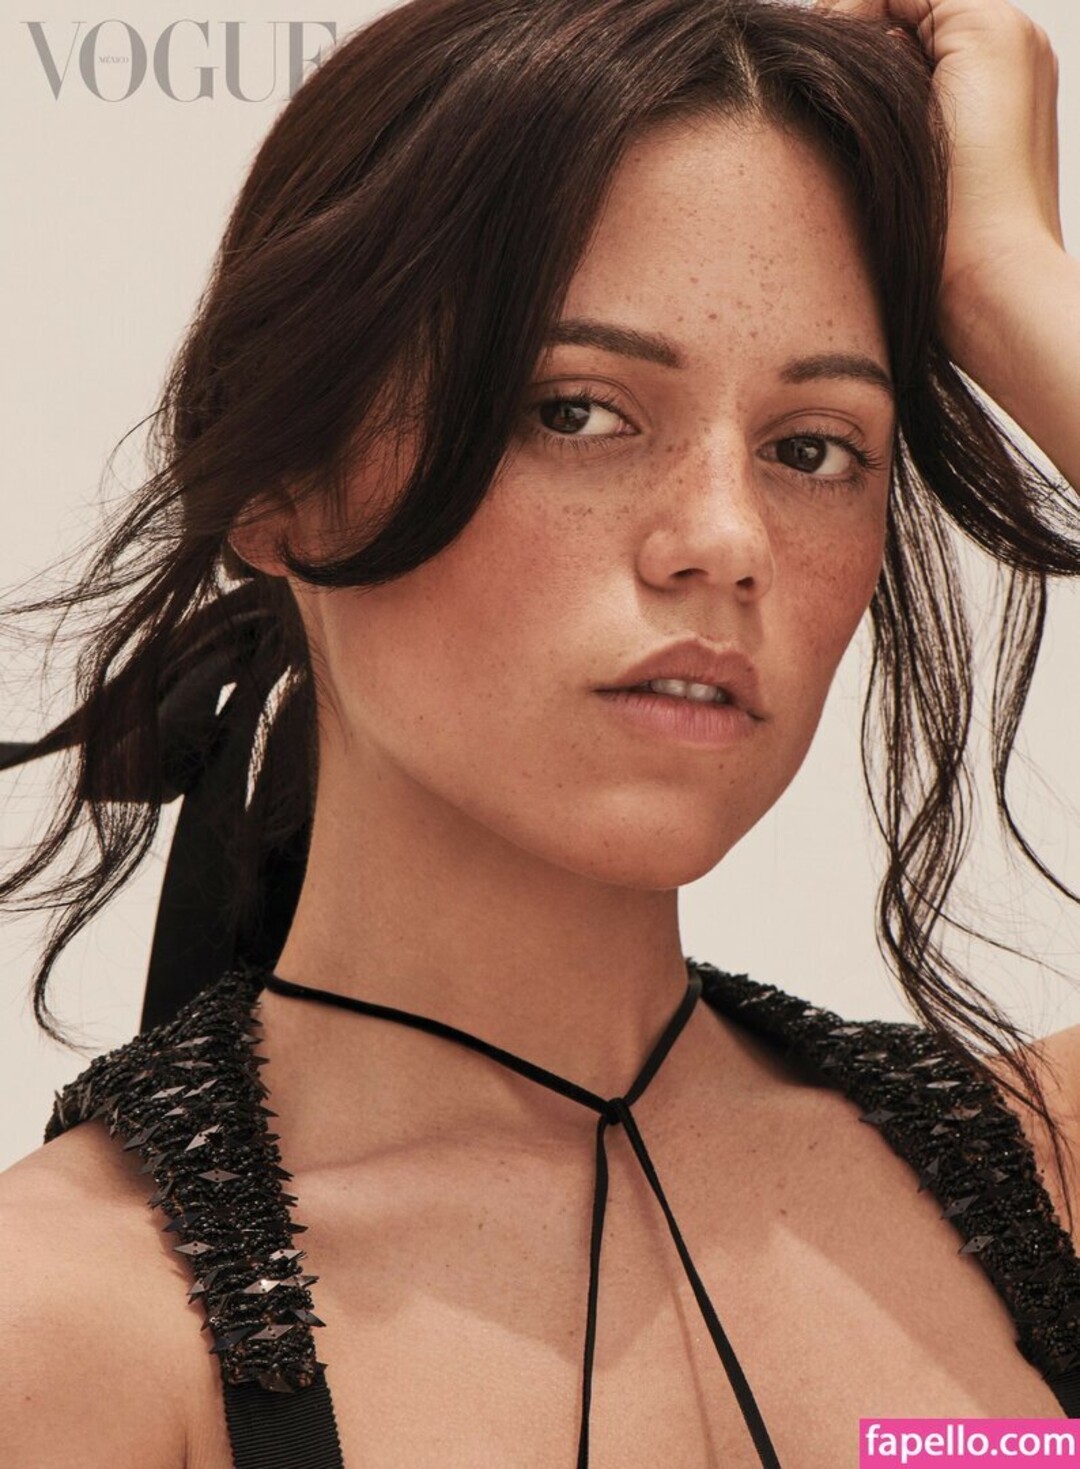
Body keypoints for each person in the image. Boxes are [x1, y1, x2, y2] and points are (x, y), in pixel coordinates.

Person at [2, 0, 1080, 1463]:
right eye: (577, 412)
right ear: (278, 487)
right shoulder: (67, 1322)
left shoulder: (1030, 1178)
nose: (727, 540)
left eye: (812, 446)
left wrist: (1009, 282)